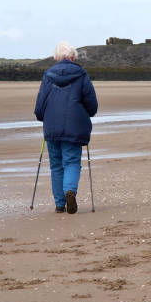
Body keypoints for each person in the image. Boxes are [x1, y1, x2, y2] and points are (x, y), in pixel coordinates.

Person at [34, 41, 98, 214]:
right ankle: (70, 190)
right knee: (71, 162)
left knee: (56, 165)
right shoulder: (81, 74)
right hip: (75, 126)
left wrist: (43, 117)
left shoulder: (48, 75)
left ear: (56, 58)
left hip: (52, 126)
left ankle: (60, 204)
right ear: (73, 57)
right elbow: (91, 102)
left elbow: (40, 105)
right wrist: (89, 114)